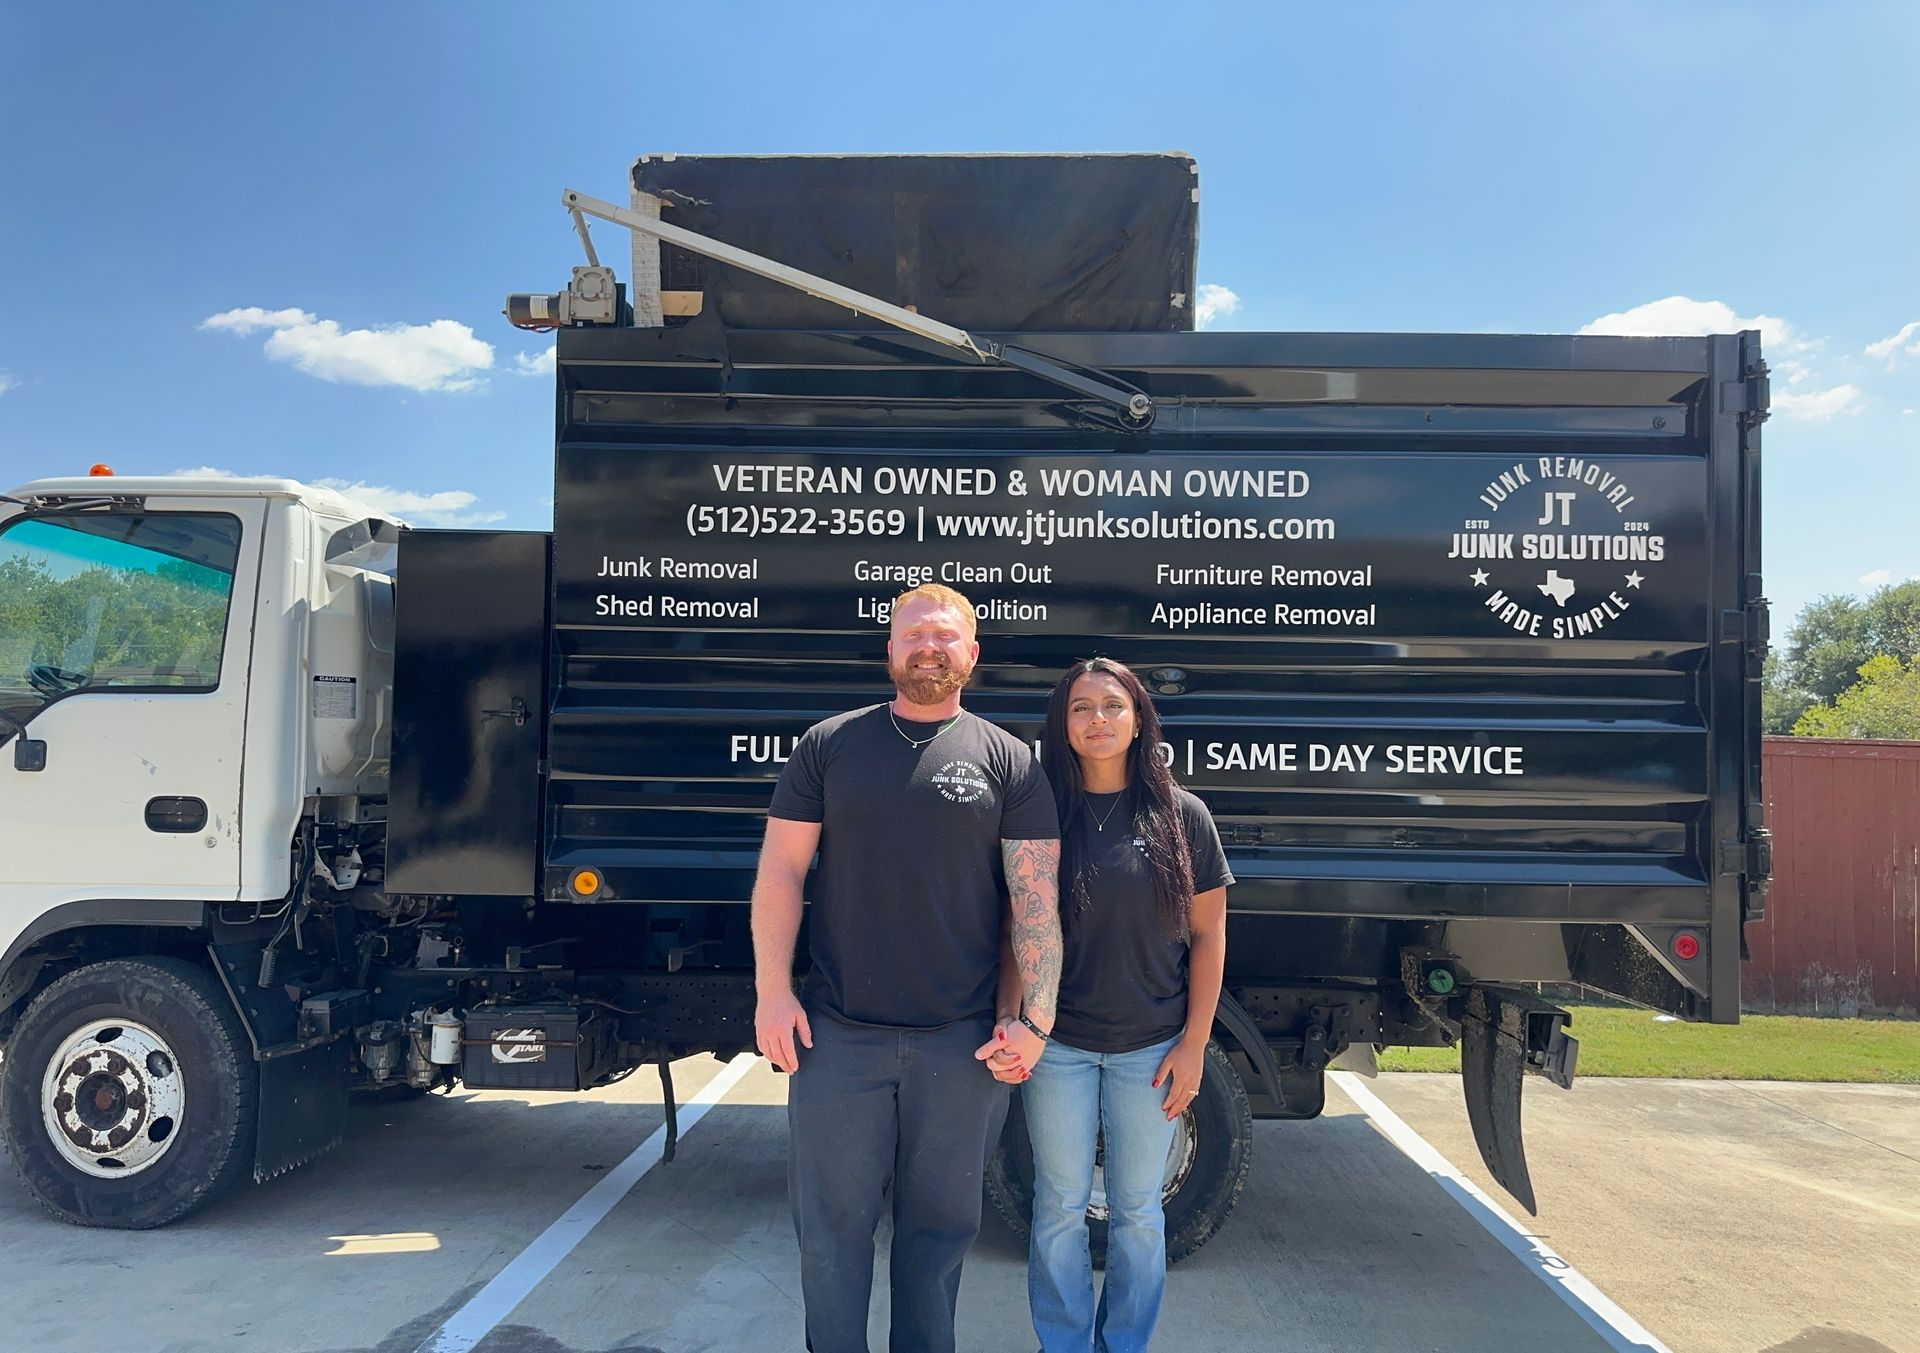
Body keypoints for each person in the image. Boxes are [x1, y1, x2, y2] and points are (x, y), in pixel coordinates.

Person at [751, 582, 1063, 1353]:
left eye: (946, 636)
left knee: (938, 1238)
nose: (929, 646)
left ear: (972, 654)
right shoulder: (828, 744)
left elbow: (1035, 903)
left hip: (961, 1048)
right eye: (914, 633)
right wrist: (772, 993)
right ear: (889, 649)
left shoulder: (1010, 760)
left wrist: (1035, 1021)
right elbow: (782, 872)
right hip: (836, 1039)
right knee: (830, 1237)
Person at [986, 657, 1231, 1353]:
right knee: (1058, 1208)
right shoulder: (1041, 813)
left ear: (1139, 718)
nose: (1098, 719)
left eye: (1113, 706)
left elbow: (1210, 935)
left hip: (1151, 1050)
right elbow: (1016, 930)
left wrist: (1193, 1045)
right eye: (1082, 707)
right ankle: (1061, 1343)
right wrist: (1011, 1015)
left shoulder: (1184, 816)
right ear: (1061, 725)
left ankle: (1123, 1343)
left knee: (1138, 1214)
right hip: (1056, 1047)